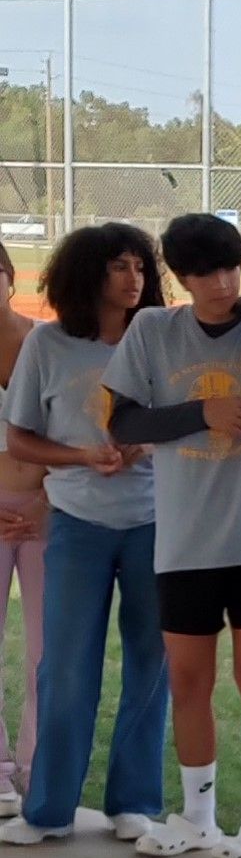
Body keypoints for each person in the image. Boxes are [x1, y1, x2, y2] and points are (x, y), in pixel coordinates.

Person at [103, 213, 241, 858]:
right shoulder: (154, 331)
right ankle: (196, 815)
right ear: (181, 278)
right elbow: (124, 418)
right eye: (206, 272)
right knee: (188, 681)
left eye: (232, 266)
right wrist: (201, 413)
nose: (222, 282)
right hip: (185, 540)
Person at [0, 225, 168, 848]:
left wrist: (150, 440)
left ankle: (134, 802)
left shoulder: (160, 339)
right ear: (87, 274)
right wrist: (79, 456)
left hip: (154, 522)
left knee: (151, 662)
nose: (134, 280)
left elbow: (188, 418)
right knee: (66, 667)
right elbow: (21, 438)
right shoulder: (49, 344)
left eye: (141, 268)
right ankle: (47, 809)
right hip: (75, 523)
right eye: (120, 267)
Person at [0, 240, 50, 818]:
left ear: (12, 277)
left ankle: (38, 767)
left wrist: (45, 496)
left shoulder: (45, 343)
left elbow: (71, 420)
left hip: (45, 508)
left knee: (47, 646)